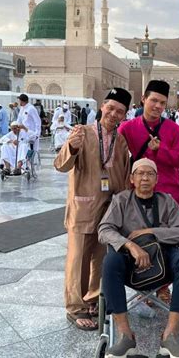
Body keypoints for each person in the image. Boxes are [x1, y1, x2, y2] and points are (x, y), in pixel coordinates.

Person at [98, 158, 179, 358]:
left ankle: (170, 336)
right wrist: (131, 245)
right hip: (130, 265)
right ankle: (125, 336)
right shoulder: (121, 200)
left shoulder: (167, 201)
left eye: (150, 174)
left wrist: (150, 232)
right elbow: (104, 230)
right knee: (110, 262)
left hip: (163, 263)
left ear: (157, 179)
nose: (145, 178)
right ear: (132, 178)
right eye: (140, 173)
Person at [54, 87, 132, 330]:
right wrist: (72, 147)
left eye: (120, 111)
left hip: (108, 209)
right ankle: (75, 308)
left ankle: (93, 301)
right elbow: (61, 165)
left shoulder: (121, 141)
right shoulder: (83, 133)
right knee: (78, 258)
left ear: (124, 115)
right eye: (110, 108)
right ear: (102, 107)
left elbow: (124, 174)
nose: (114, 114)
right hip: (83, 206)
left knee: (100, 258)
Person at [118, 80, 179, 305]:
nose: (157, 106)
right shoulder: (128, 128)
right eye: (154, 101)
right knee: (141, 238)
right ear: (143, 100)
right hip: (139, 197)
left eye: (162, 102)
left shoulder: (173, 129)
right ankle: (145, 278)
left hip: (169, 196)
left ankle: (163, 287)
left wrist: (161, 150)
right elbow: (116, 154)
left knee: (168, 241)